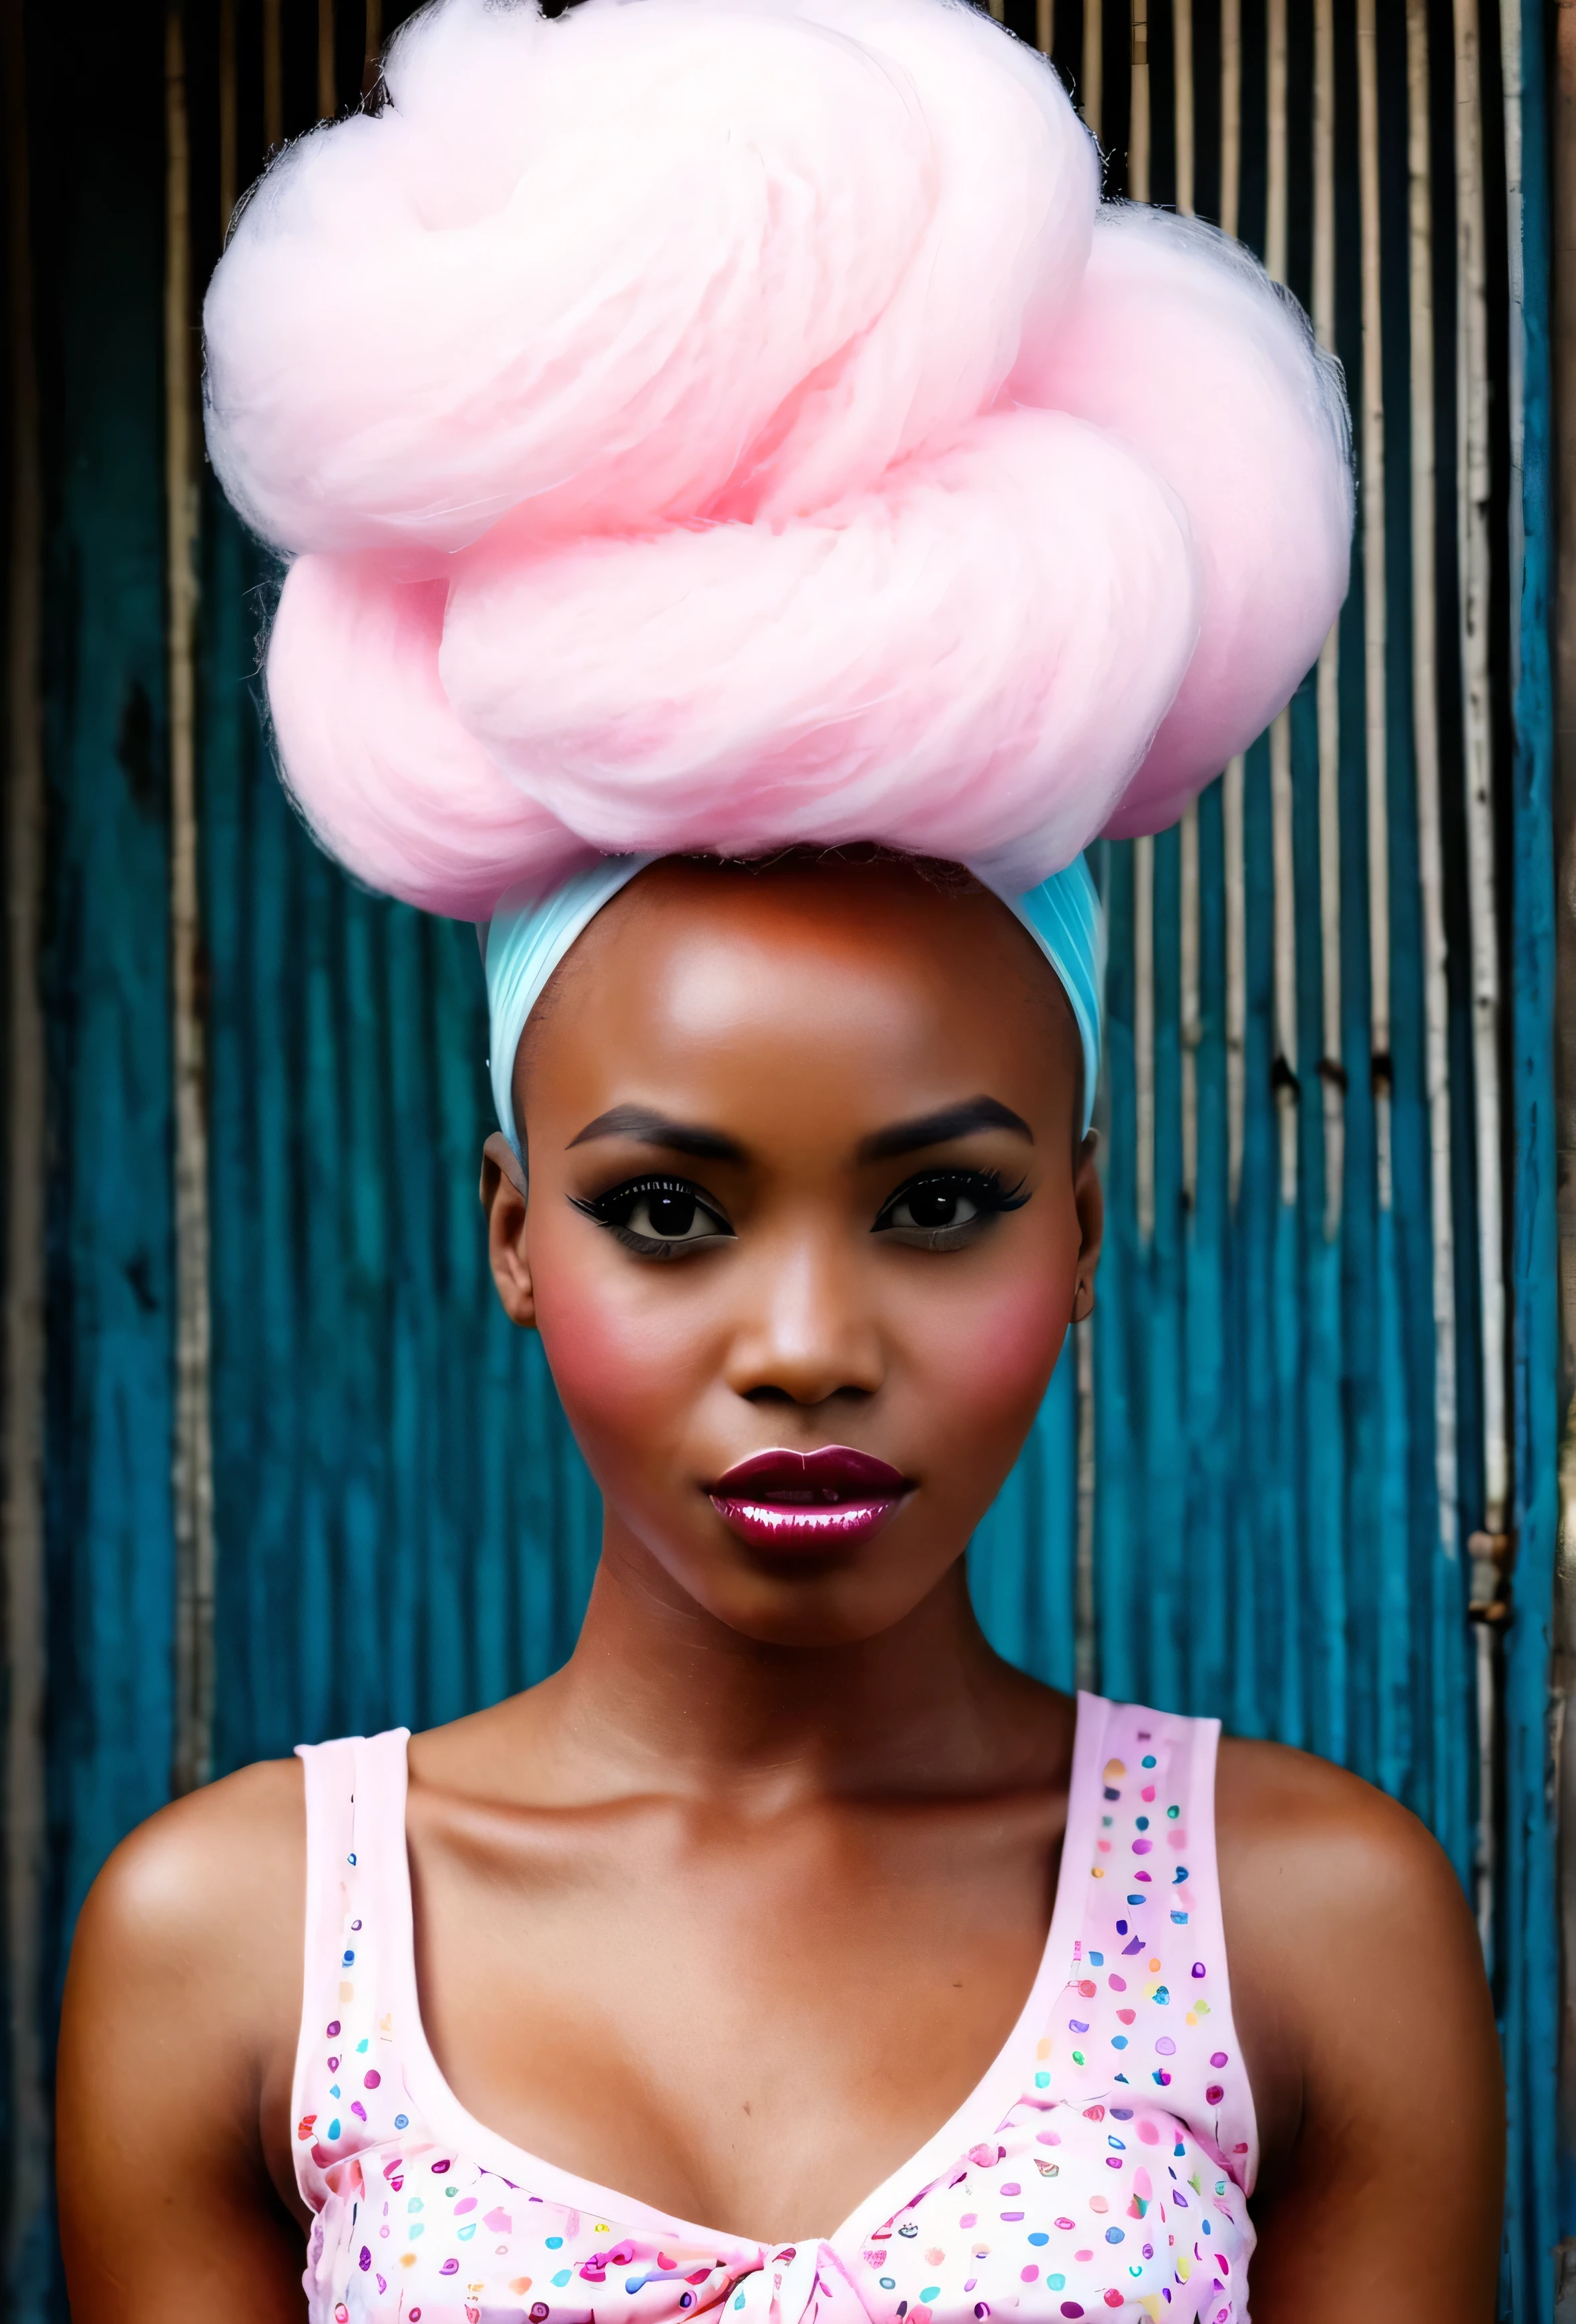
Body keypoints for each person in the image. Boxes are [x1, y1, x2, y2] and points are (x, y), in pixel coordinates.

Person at [57, 1, 1503, 2318]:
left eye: (940, 1204)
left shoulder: (1302, 1929)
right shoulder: (233, 1950)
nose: (810, 1345)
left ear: (1091, 1214)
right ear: (511, 1234)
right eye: (669, 1211)